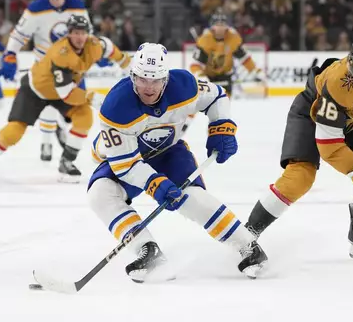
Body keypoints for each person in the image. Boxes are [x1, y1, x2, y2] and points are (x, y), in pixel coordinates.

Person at [87, 43, 268, 282]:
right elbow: (126, 166)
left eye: (155, 80)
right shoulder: (115, 108)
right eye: (142, 79)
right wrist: (155, 185)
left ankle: (249, 247)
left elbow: (217, 96)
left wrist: (221, 128)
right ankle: (147, 251)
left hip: (170, 153)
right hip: (131, 159)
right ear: (132, 77)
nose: (148, 87)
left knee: (190, 197)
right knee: (100, 193)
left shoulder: (184, 86)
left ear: (166, 79)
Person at [244, 32, 353, 263]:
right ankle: (246, 235)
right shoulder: (338, 80)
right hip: (311, 116)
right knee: (300, 177)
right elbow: (329, 142)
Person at [0, 15, 102, 183]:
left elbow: (111, 50)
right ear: (68, 34)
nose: (80, 37)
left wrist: (125, 61)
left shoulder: (93, 45)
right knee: (13, 132)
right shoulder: (60, 52)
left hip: (62, 90)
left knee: (85, 116)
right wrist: (90, 97)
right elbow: (66, 89)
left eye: (83, 33)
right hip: (36, 89)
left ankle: (66, 162)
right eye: (75, 32)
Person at [0, 0, 93, 162]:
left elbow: (87, 35)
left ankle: (58, 130)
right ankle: (47, 141)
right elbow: (19, 35)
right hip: (46, 69)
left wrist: (94, 53)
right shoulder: (36, 8)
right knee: (49, 104)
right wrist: (10, 55)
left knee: (78, 110)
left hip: (73, 69)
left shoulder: (78, 7)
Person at [182, 10, 265, 132]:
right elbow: (195, 65)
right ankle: (179, 131)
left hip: (225, 77)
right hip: (207, 77)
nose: (220, 28)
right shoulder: (205, 40)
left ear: (227, 26)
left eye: (223, 24)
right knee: (193, 105)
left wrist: (255, 71)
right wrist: (201, 77)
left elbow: (244, 58)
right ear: (212, 27)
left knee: (220, 111)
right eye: (217, 24)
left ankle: (216, 138)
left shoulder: (233, 38)